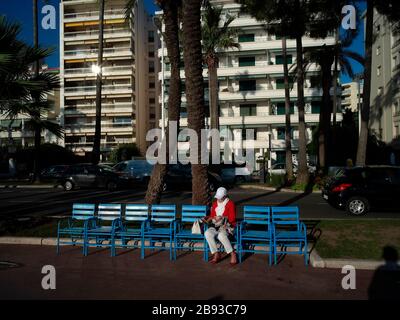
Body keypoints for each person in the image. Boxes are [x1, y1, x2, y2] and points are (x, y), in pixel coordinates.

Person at [203, 187, 237, 265]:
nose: (218, 199)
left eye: (220, 197)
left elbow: (232, 219)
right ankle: (216, 253)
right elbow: (212, 216)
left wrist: (222, 217)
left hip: (227, 226)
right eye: (217, 197)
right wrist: (207, 219)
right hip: (216, 226)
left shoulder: (230, 204)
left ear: (225, 196)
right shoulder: (215, 204)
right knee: (207, 233)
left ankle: (232, 253)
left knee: (221, 235)